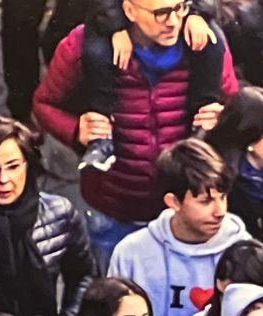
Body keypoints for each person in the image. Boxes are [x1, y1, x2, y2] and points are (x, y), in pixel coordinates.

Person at [31, 0, 241, 267]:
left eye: (179, 8)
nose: (173, 22)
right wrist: (76, 130)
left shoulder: (204, 42)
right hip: (113, 210)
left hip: (183, 211)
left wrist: (221, 118)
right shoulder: (82, 45)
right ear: (129, 10)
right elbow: (44, 104)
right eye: (161, 13)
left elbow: (234, 104)